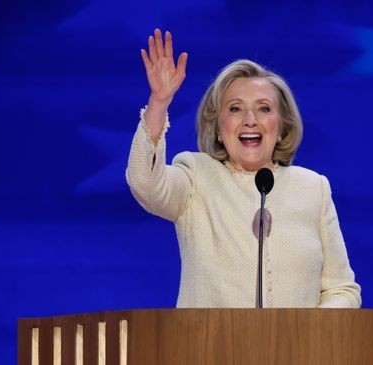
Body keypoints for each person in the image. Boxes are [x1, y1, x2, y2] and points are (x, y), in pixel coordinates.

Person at [126, 29, 361, 308]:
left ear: (283, 125)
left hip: (298, 351)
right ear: (216, 126)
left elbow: (342, 290)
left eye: (263, 108)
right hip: (208, 349)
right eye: (235, 109)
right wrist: (159, 103)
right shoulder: (196, 175)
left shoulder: (313, 188)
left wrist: (309, 333)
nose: (250, 119)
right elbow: (145, 184)